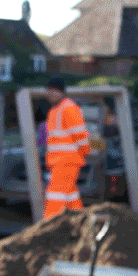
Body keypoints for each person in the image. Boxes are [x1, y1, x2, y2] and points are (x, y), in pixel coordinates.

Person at [43, 77, 90, 220]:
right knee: (71, 197)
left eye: (53, 90)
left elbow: (80, 136)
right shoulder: (56, 110)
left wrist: (82, 153)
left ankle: (48, 229)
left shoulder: (67, 108)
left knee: (55, 196)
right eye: (48, 91)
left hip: (65, 162)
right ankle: (82, 224)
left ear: (61, 92)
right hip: (61, 162)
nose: (50, 93)